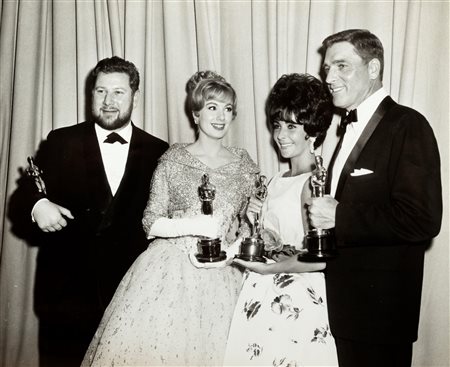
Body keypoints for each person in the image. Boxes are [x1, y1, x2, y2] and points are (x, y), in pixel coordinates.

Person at [81, 70, 259, 366]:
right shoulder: (173, 159)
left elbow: (245, 227)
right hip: (170, 272)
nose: (221, 117)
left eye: (228, 109)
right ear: (196, 113)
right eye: (212, 108)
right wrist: (196, 226)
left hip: (224, 274)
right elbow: (151, 222)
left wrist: (247, 226)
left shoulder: (244, 166)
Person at [7, 56, 169, 367]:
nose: (108, 102)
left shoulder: (159, 151)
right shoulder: (61, 141)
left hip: (131, 301)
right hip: (66, 302)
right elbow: (22, 198)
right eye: (100, 91)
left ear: (136, 95)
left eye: (118, 92)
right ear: (90, 93)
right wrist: (38, 205)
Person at [308, 29, 442, 367]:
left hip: (381, 319)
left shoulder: (408, 125)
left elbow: (422, 219)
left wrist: (340, 216)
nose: (330, 77)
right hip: (343, 310)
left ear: (373, 68)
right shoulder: (347, 130)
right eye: (327, 68)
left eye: (342, 66)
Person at [224, 73, 338, 366]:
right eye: (277, 125)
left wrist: (267, 270)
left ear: (312, 132)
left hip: (294, 298)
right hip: (262, 290)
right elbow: (267, 239)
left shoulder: (313, 183)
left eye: (291, 126)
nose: (280, 135)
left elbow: (318, 259)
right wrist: (251, 221)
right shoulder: (276, 179)